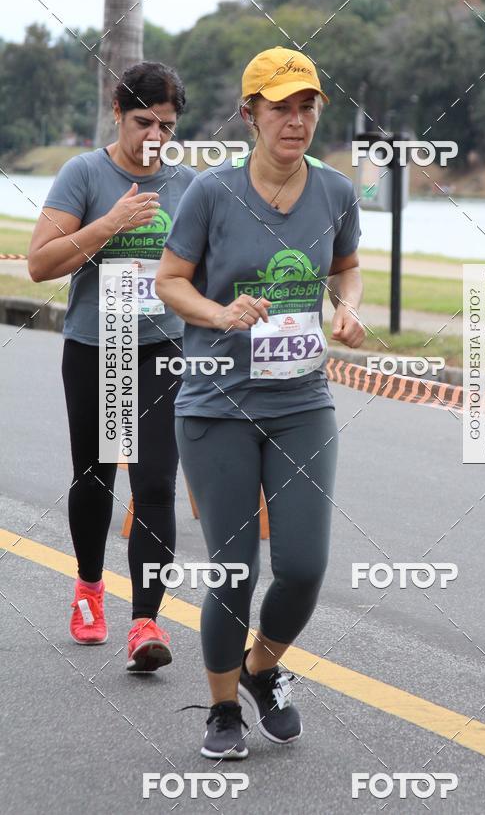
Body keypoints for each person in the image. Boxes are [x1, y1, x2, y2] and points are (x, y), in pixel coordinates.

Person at [156, 47, 365, 758]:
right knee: (235, 567)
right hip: (215, 403)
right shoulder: (211, 192)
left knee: (304, 565)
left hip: (303, 400)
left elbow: (347, 265)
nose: (296, 121)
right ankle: (221, 710)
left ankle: (261, 667)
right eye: (281, 107)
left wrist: (347, 307)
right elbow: (171, 282)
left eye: (307, 107)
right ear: (250, 115)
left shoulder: (336, 191)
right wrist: (217, 316)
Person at [28, 62, 196, 671]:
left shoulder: (187, 184)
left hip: (163, 349)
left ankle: (147, 622)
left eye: (168, 126)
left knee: (153, 482)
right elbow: (41, 264)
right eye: (144, 122)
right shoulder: (85, 174)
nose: (155, 136)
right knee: (97, 476)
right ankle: (90, 588)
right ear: (118, 113)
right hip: (98, 348)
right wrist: (109, 224)